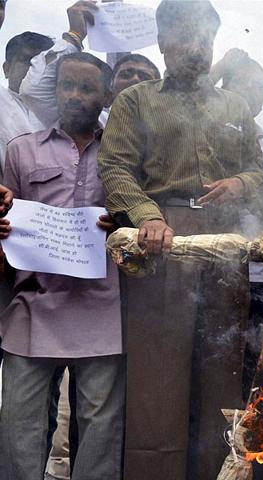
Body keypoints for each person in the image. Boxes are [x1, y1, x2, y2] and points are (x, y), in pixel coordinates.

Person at [97, 1, 263, 478]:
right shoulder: (136, 101)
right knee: (158, 374)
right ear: (164, 41)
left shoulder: (235, 106)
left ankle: (221, 472)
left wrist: (242, 184)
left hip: (226, 242)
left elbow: (257, 169)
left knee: (222, 368)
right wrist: (147, 216)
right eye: (185, 37)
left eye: (206, 38)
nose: (197, 48)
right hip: (160, 241)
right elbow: (115, 167)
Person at [0, 51, 124, 480]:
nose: (74, 96)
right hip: (34, 306)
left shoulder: (123, 156)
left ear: (106, 95)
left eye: (86, 88)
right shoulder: (21, 151)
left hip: (103, 307)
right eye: (66, 85)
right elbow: (7, 218)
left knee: (100, 429)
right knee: (20, 425)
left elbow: (140, 213)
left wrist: (121, 222)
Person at [20, 1, 160, 128]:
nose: (135, 79)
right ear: (109, 94)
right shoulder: (95, 123)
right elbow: (33, 92)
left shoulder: (170, 129)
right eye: (126, 74)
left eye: (144, 76)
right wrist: (75, 34)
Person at [0, 32, 53, 168]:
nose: (35, 69)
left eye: (43, 63)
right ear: (7, 69)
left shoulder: (64, 113)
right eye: (28, 61)